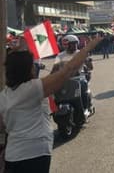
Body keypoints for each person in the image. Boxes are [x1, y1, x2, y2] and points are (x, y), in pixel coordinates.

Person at [0, 36, 101, 173]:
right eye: (32, 65)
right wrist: (88, 47)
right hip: (34, 154)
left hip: (12, 155)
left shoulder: (5, 94)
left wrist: (14, 51)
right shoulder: (33, 89)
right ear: (27, 69)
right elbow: (68, 70)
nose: (34, 68)